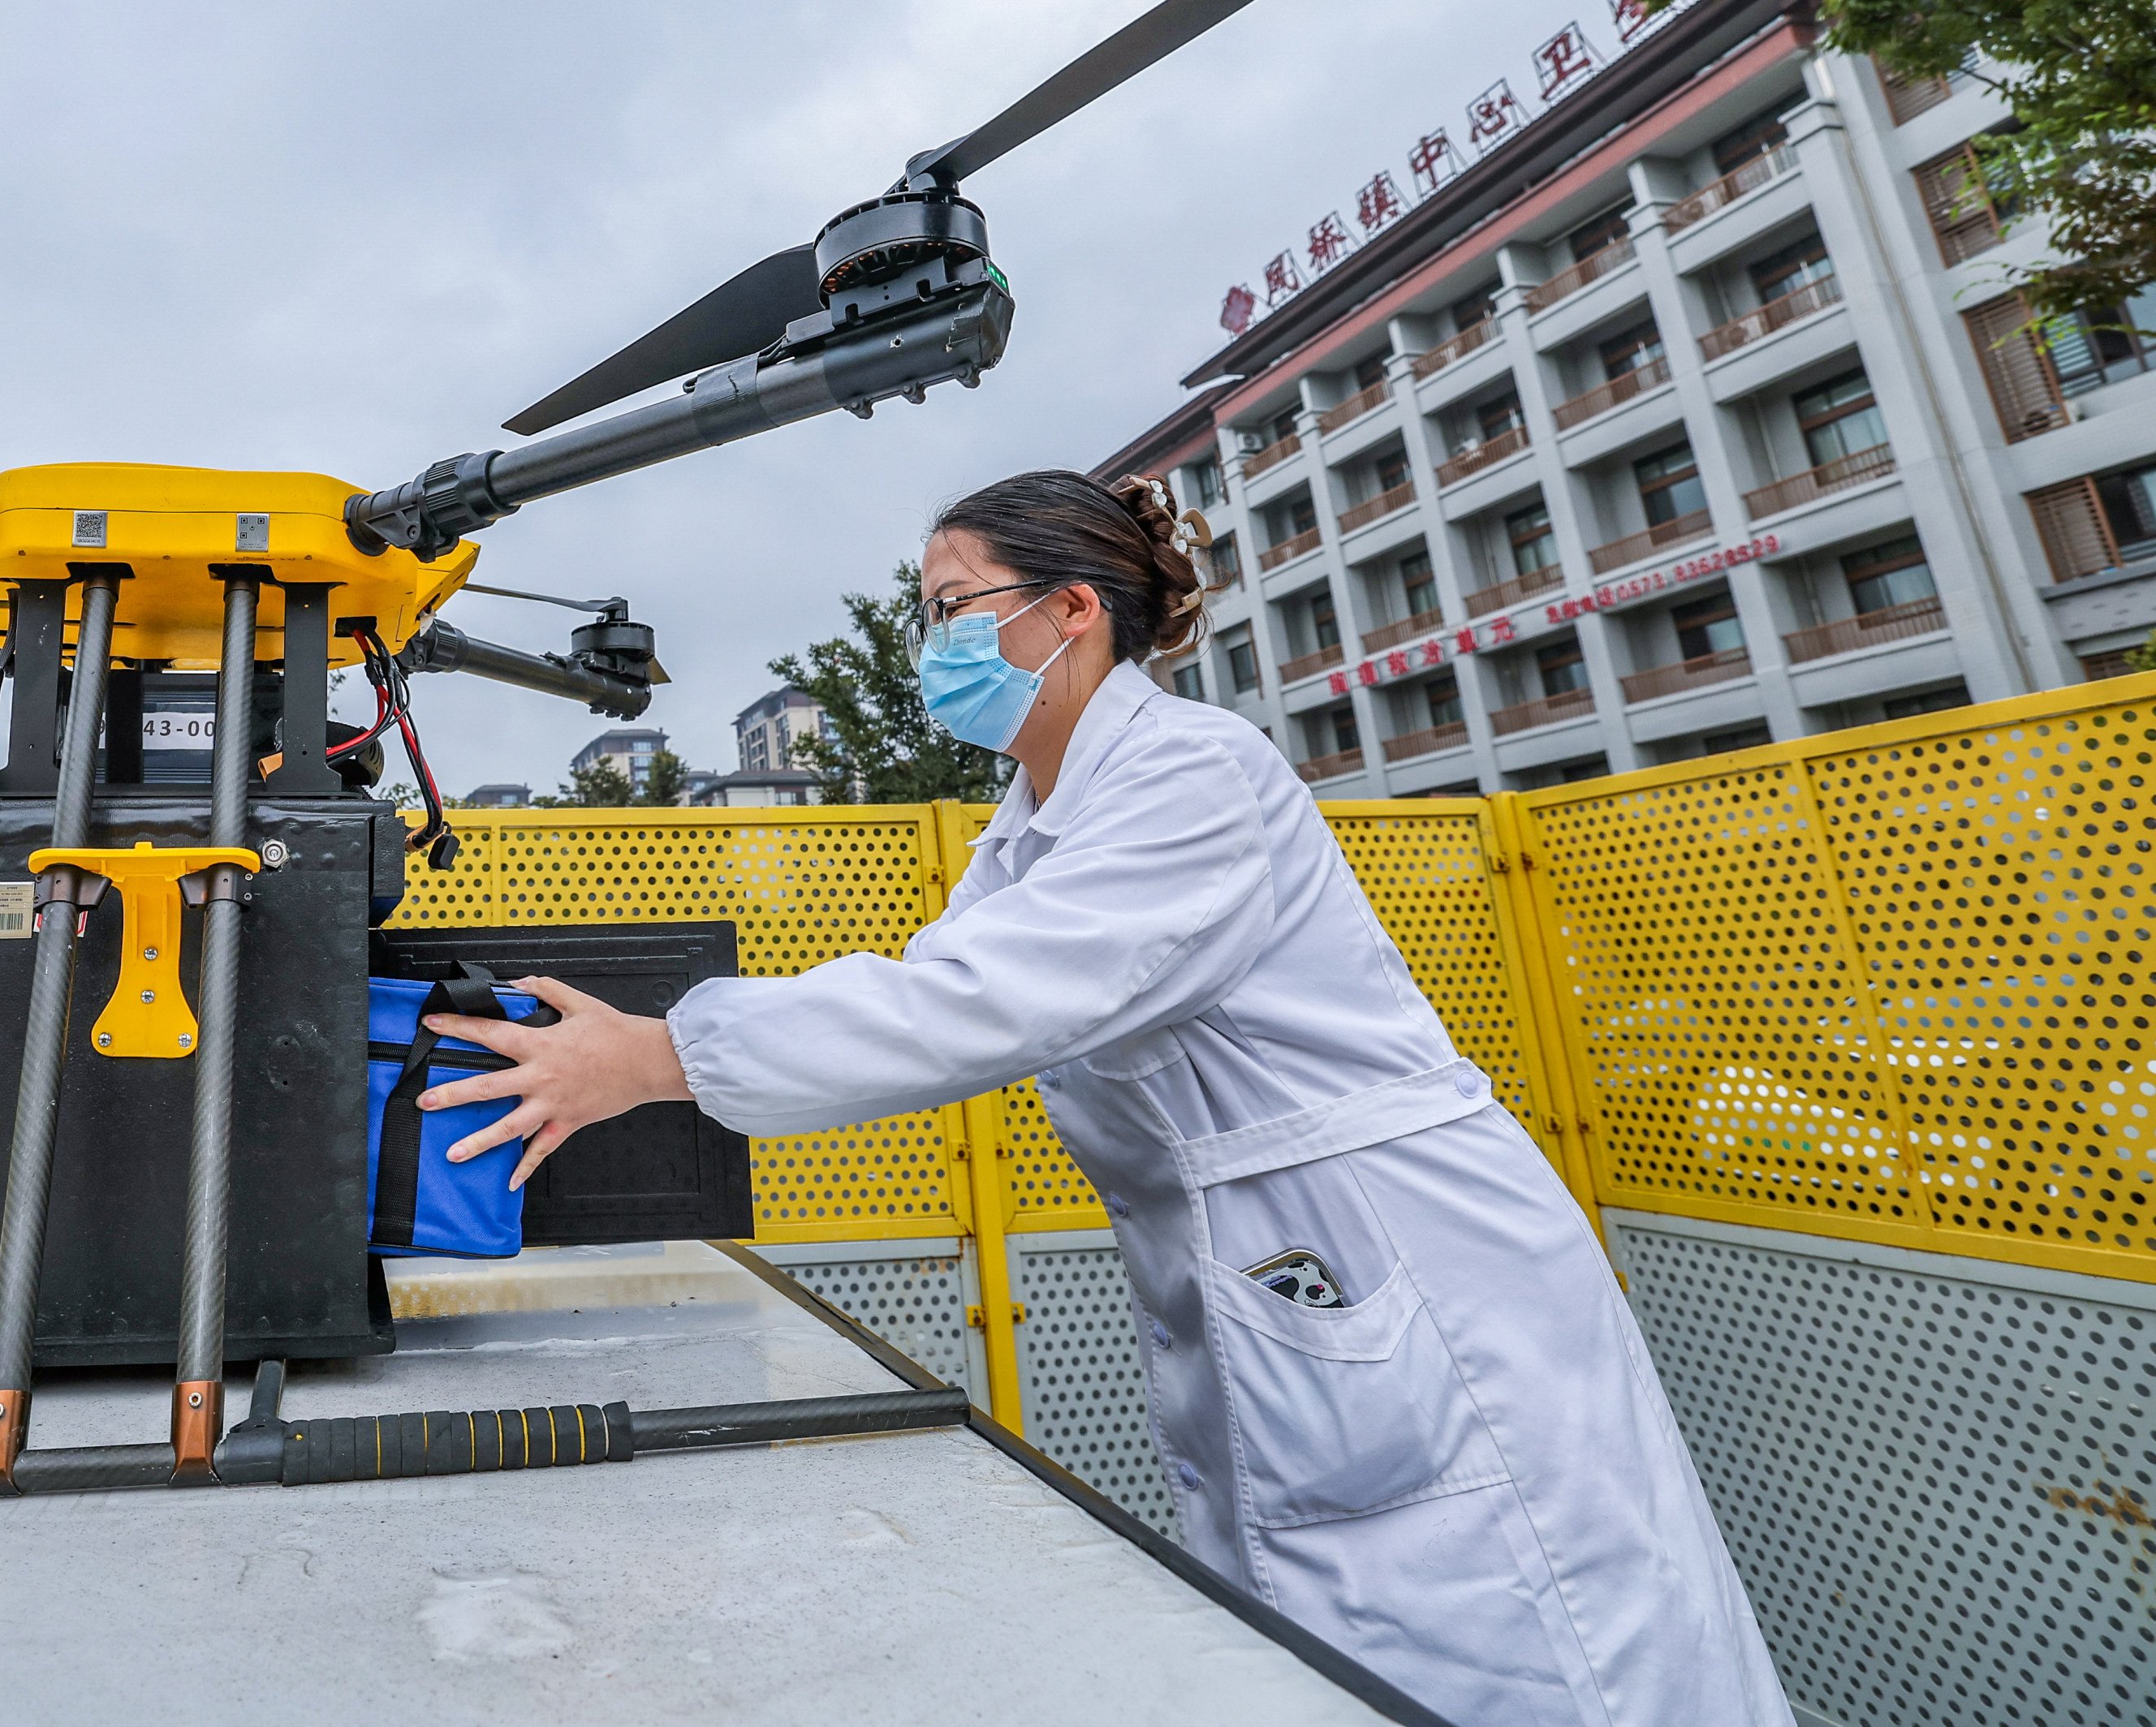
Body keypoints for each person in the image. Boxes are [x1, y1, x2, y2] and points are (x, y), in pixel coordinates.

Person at [419, 467, 1792, 1727]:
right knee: (1341, 1645)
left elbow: (983, 1003)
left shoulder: (1197, 773)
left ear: (1072, 611)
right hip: (1278, 1272)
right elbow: (931, 982)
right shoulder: (1036, 821)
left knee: (1539, 1643)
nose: (929, 642)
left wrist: (655, 1059)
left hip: (1411, 1267)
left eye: (951, 606)